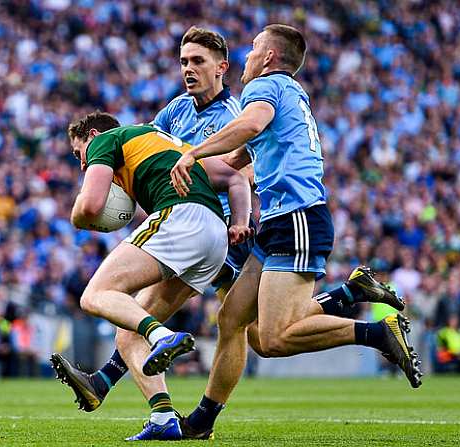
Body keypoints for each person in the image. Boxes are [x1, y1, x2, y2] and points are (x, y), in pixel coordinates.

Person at [169, 24, 422, 439]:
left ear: (269, 57)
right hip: (281, 221)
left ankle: (377, 332)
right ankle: (201, 422)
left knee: (273, 340)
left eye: (252, 50)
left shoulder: (265, 88)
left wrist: (193, 151)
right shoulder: (288, 93)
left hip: (297, 218)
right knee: (233, 320)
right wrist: (182, 165)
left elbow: (249, 126)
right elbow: (234, 161)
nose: (247, 58)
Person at [52, 25, 252, 419]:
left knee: (260, 332)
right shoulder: (173, 112)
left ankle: (348, 302)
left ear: (221, 68)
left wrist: (241, 221)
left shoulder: (235, 118)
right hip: (205, 234)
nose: (188, 69)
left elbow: (239, 175)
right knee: (131, 323)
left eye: (197, 61)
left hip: (206, 226)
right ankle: (153, 411)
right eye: (183, 62)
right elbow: (157, 152)